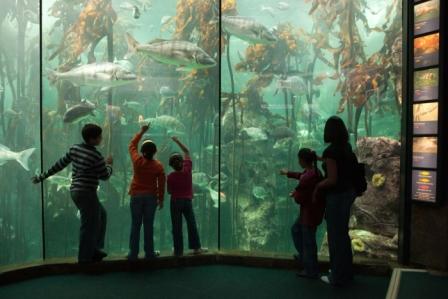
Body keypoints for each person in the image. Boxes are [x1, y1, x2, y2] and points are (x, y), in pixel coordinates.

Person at [32, 123, 113, 264]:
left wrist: (42, 177)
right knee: (88, 225)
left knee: (102, 215)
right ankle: (85, 259)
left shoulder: (75, 149)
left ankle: (95, 249)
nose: (102, 138)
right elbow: (105, 176)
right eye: (99, 136)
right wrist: (109, 165)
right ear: (92, 139)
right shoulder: (96, 155)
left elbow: (60, 164)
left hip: (75, 191)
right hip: (87, 193)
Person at [313, 116, 357, 286]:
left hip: (337, 197)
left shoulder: (330, 152)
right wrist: (320, 159)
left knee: (335, 237)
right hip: (348, 193)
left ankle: (336, 276)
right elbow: (339, 164)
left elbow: (332, 179)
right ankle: (346, 273)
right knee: (343, 235)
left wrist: (318, 187)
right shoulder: (345, 147)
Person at [280, 148, 324, 279]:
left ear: (303, 160)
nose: (298, 161)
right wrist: (288, 173)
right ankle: (305, 257)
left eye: (299, 159)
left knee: (309, 241)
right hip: (314, 211)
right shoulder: (315, 171)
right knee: (296, 229)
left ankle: (311, 270)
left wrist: (295, 195)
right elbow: (302, 176)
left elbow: (300, 197)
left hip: (309, 214)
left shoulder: (308, 176)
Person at [127, 123, 165, 260]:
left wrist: (142, 131)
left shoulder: (137, 161)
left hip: (136, 197)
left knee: (135, 225)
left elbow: (131, 145)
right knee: (149, 225)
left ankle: (133, 254)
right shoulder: (158, 166)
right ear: (155, 152)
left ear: (142, 151)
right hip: (150, 198)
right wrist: (161, 199)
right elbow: (161, 184)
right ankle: (149, 253)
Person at [167, 136, 207, 256]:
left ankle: (178, 251)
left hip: (175, 202)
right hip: (187, 201)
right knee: (191, 224)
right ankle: (196, 248)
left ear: (171, 165)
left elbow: (169, 191)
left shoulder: (170, 177)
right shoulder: (187, 169)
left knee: (177, 226)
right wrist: (177, 140)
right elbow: (187, 151)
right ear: (182, 162)